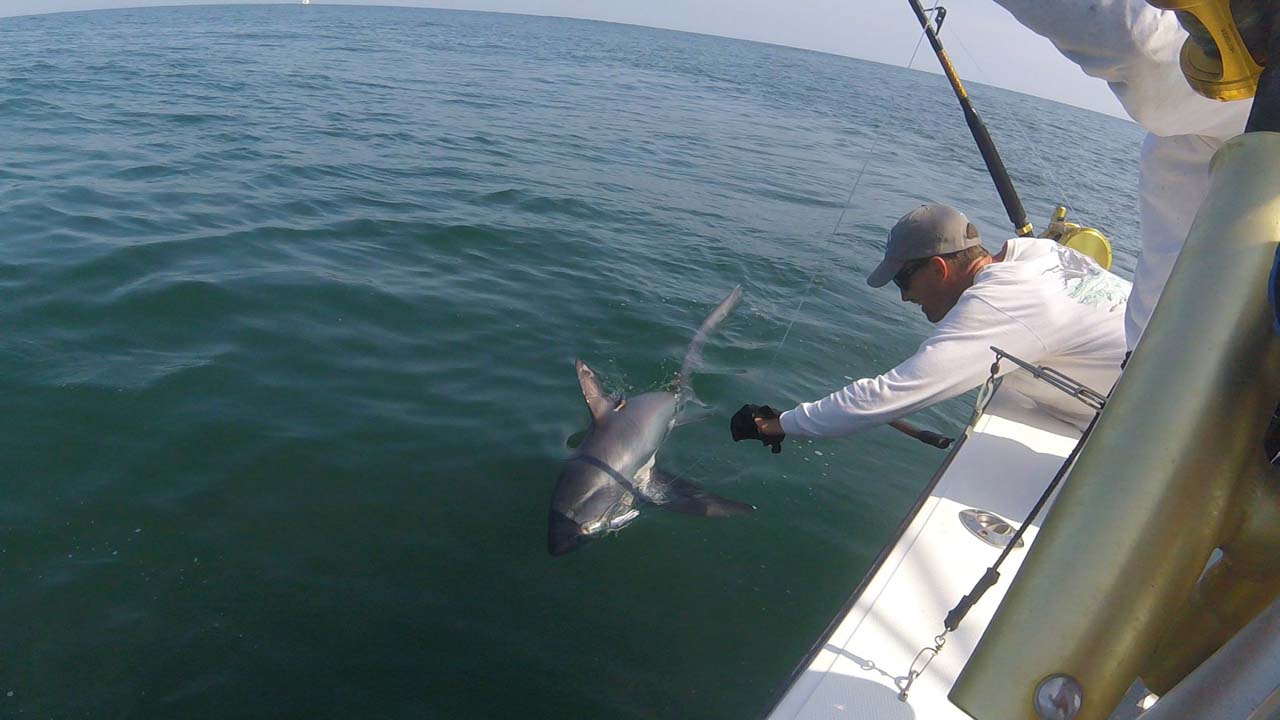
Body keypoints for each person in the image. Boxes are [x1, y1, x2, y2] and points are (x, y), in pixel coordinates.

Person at [732, 204, 1131, 450]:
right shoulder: (1040, 253)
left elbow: (887, 396)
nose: (905, 298)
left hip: (1142, 428)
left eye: (903, 282)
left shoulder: (1003, 304)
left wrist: (777, 424)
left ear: (939, 268)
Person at [987, 0, 1256, 349]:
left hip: (1187, 379)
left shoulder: (1222, 87)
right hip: (1158, 370)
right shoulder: (1200, 125)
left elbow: (1142, 48)